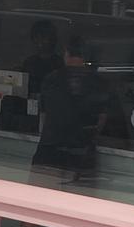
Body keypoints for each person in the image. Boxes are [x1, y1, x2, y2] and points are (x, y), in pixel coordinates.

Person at [32, 35, 107, 182]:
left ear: (66, 53)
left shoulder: (51, 79)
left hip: (50, 150)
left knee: (41, 198)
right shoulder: (99, 83)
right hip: (81, 153)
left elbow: (44, 115)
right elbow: (102, 120)